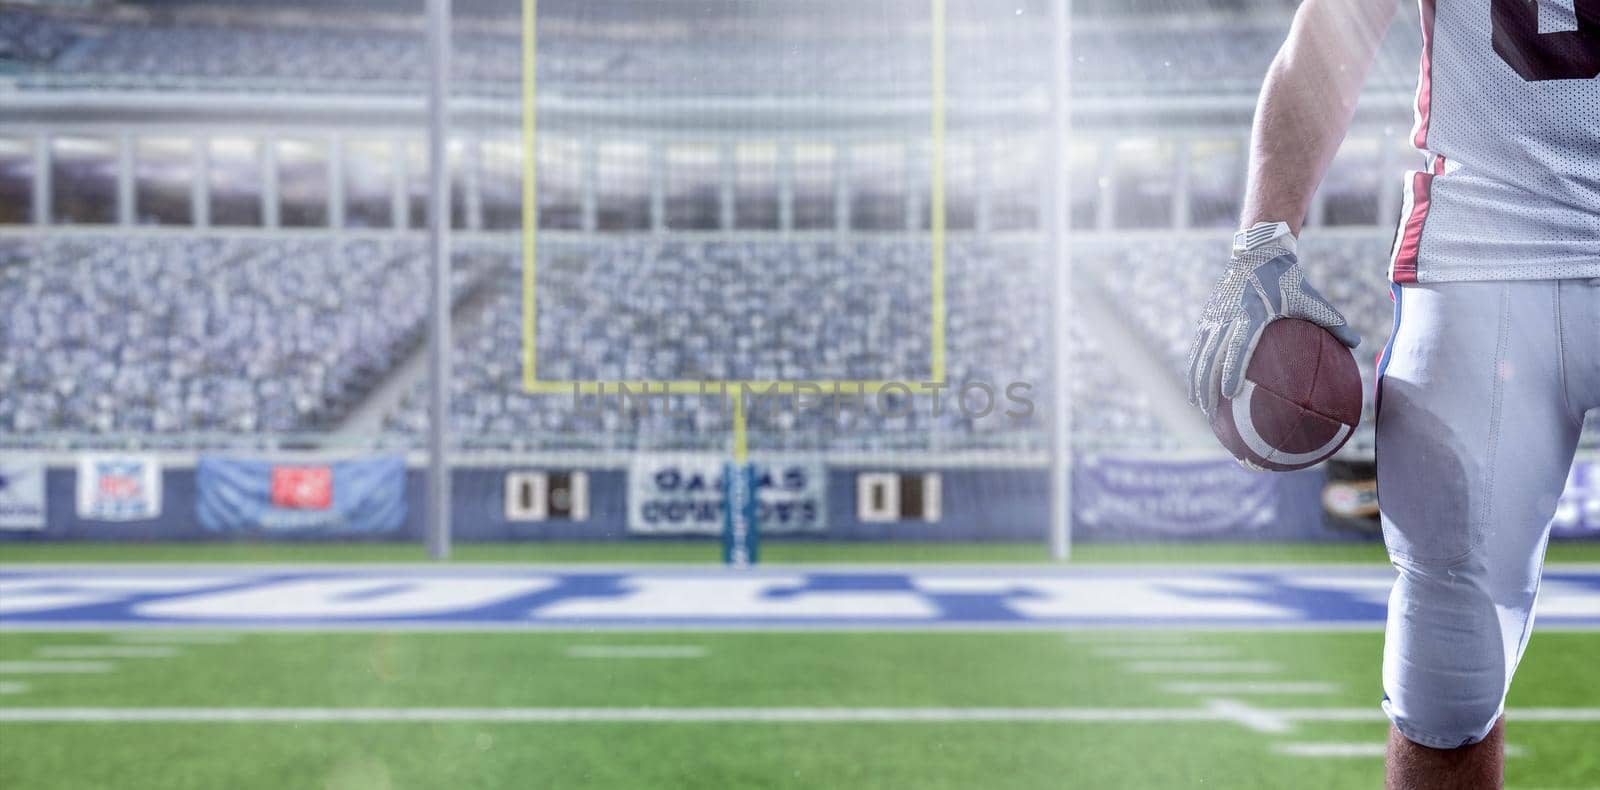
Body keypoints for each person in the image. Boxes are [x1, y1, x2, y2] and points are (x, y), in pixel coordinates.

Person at [1185, 0, 1599, 787]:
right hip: (1487, 248)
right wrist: (1263, 239)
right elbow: (1336, 24)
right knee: (1445, 674)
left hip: (1483, 254)